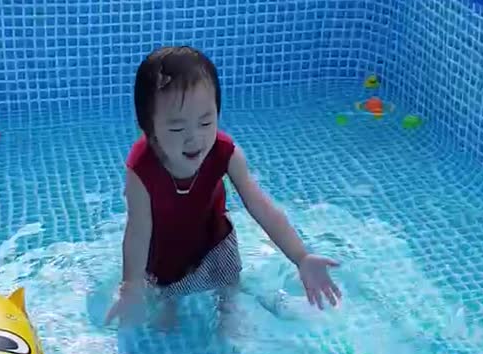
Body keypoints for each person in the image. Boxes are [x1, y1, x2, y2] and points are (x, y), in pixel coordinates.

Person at [105, 45, 341, 328]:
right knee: (164, 320)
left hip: (216, 242)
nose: (195, 138)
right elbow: (138, 230)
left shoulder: (224, 151)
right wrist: (131, 286)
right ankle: (169, 316)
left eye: (206, 122)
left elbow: (260, 206)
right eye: (178, 129)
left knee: (229, 293)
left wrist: (301, 257)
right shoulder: (141, 169)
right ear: (150, 130)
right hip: (163, 252)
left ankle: (228, 318)